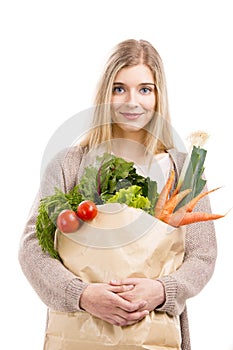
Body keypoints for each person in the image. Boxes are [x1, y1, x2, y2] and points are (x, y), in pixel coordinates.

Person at [19, 39, 217, 350]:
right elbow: (33, 247)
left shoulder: (184, 169)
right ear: (104, 94)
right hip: (79, 330)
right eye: (119, 88)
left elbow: (202, 254)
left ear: (158, 95)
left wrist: (162, 290)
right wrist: (81, 294)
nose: (132, 102)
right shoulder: (68, 165)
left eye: (145, 89)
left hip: (154, 330)